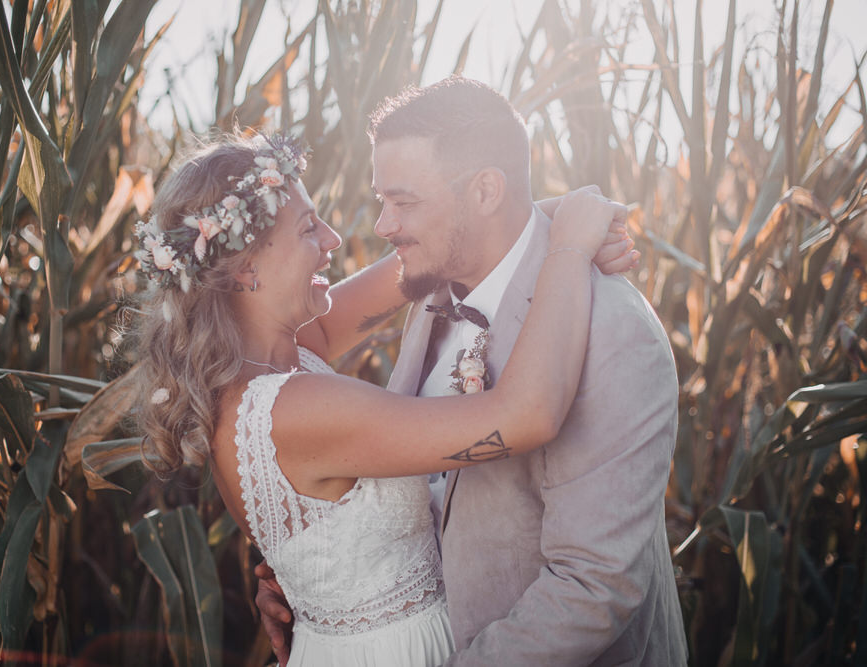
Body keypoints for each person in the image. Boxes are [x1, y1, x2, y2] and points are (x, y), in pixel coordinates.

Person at [134, 130, 629, 666]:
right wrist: (570, 249)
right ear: (244, 269)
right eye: (307, 229)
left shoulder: (274, 358)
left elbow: (431, 257)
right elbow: (526, 415)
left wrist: (541, 214)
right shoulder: (293, 410)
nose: (332, 239)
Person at [257, 77, 688, 665]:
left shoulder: (611, 328)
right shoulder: (430, 294)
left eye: (403, 202)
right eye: (382, 199)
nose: (383, 225)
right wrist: (320, 582)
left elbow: (594, 586)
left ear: (486, 190)